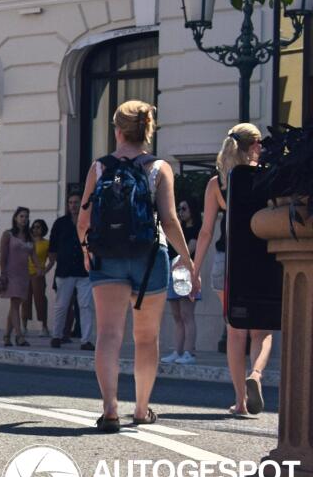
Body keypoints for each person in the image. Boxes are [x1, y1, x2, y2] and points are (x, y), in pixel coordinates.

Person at [79, 100, 196, 432]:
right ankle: (142, 409)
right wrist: (188, 263)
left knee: (108, 335)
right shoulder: (159, 168)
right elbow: (171, 222)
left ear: (117, 131)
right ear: (149, 130)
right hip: (150, 258)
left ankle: (110, 409)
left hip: (107, 259)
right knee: (146, 338)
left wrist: (87, 251)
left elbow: (83, 219)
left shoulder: (99, 167)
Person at [193, 123, 271, 418]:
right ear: (253, 147)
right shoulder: (265, 178)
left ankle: (240, 402)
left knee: (235, 333)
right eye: (260, 144)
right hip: (261, 261)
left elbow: (205, 232)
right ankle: (257, 375)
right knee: (261, 331)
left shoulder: (218, 183)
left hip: (227, 263)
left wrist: (194, 270)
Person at [49, 190, 93, 350]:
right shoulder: (60, 223)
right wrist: (50, 267)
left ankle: (86, 340)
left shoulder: (89, 222)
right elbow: (52, 248)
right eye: (71, 203)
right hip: (64, 270)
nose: (73, 205)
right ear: (68, 205)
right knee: (61, 305)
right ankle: (56, 336)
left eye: (76, 202)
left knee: (85, 305)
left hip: (84, 270)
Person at [162, 196, 201, 365]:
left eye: (184, 209)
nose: (180, 212)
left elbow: (190, 250)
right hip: (174, 270)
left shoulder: (196, 228)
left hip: (186, 271)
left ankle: (189, 352)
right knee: (177, 315)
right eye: (179, 209)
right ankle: (177, 351)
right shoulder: (181, 228)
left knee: (187, 315)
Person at [0, 207, 35, 347]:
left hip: (24, 274)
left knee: (15, 304)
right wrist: (3, 273)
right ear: (15, 218)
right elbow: (3, 256)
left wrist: (40, 268)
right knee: (15, 304)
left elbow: (34, 254)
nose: (24, 219)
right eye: (21, 216)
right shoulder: (7, 234)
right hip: (11, 273)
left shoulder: (29, 237)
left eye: (26, 216)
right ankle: (19, 336)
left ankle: (7, 335)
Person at [24, 219, 54, 338]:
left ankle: (44, 327)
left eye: (38, 227)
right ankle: (24, 326)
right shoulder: (27, 242)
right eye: (34, 227)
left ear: (43, 229)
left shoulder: (46, 243)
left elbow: (52, 261)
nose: (36, 229)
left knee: (40, 299)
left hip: (38, 275)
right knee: (25, 300)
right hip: (25, 274)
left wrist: (44, 271)